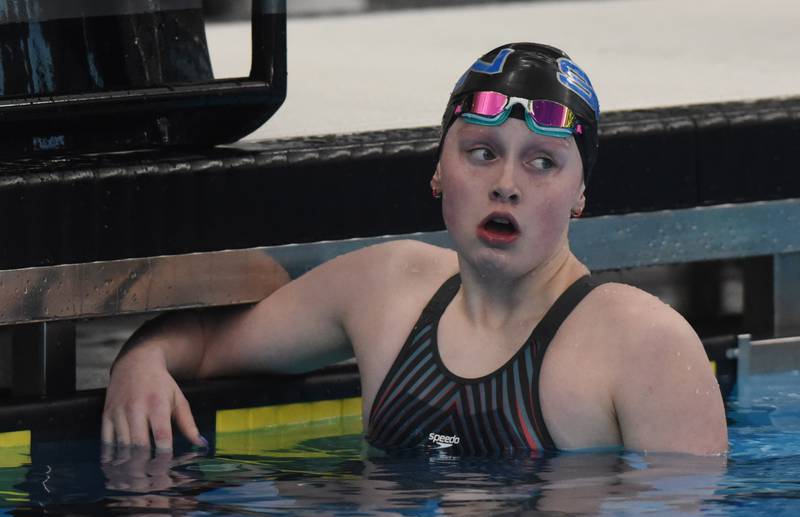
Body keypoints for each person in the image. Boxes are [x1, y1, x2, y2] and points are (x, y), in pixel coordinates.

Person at [102, 43, 728, 455]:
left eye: (543, 163)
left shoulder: (645, 346)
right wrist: (139, 364)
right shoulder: (385, 287)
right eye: (481, 153)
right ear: (438, 171)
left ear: (580, 193)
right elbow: (210, 344)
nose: (506, 183)